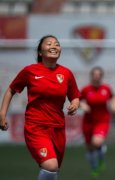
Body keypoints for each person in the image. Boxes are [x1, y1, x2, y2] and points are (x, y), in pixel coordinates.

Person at [0, 35, 80, 180]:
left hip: (58, 129)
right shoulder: (30, 71)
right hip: (36, 127)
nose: (54, 46)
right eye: (49, 44)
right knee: (51, 166)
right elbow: (11, 90)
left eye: (57, 44)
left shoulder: (66, 73)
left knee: (54, 171)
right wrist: (2, 114)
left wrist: (75, 104)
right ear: (40, 52)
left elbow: (75, 95)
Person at [80, 66, 115, 177]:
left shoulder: (106, 88)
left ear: (101, 76)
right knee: (90, 148)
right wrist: (83, 105)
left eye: (99, 75)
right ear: (91, 76)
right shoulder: (86, 89)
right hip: (88, 121)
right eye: (94, 74)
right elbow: (78, 100)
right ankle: (95, 167)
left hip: (102, 120)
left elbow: (112, 97)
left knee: (96, 142)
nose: (96, 77)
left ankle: (100, 151)